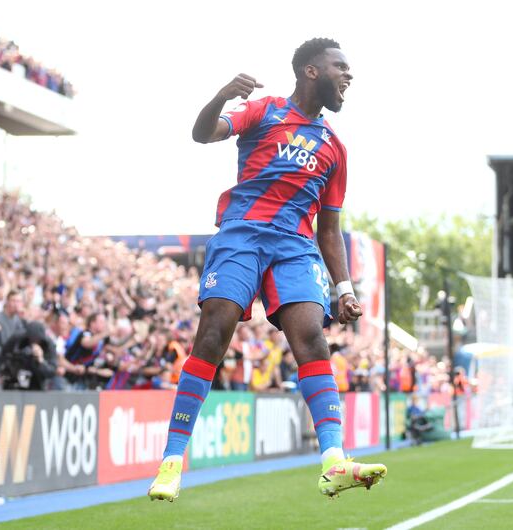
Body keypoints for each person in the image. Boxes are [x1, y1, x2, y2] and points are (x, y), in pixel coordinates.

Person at [148, 38, 386, 502]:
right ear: (310, 71)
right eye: (340, 66)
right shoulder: (265, 110)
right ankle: (172, 461)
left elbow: (331, 229)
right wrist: (220, 95)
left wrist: (344, 288)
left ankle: (334, 460)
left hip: (296, 247)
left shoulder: (335, 148)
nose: (348, 75)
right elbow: (203, 134)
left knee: (313, 337)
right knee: (214, 330)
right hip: (243, 234)